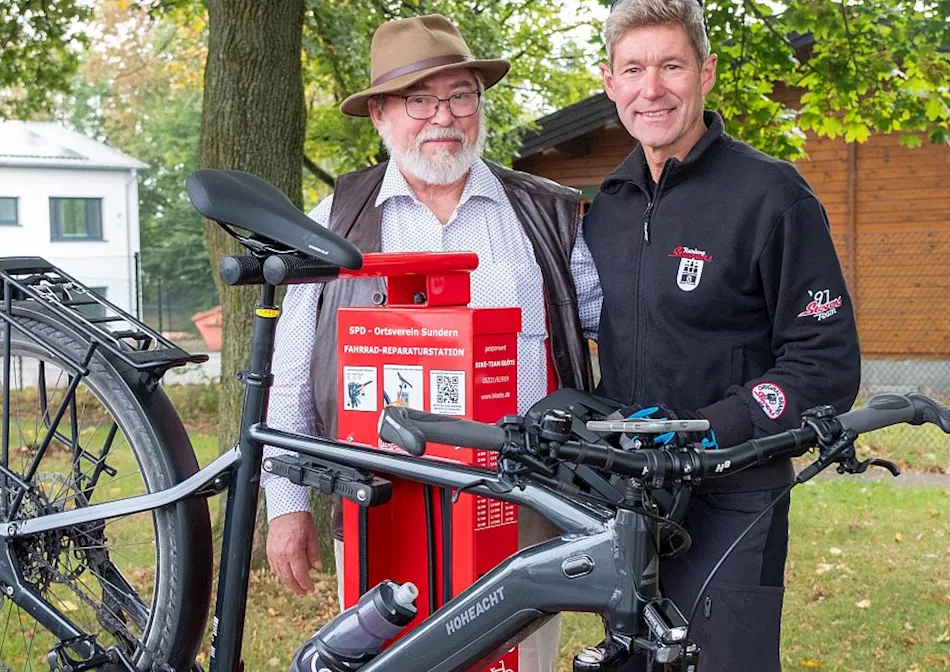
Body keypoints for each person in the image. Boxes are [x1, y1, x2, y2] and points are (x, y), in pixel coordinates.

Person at [260, 14, 602, 671]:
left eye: (460, 95)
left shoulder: (550, 214)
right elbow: (293, 374)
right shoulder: (332, 224)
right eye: (418, 99)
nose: (442, 115)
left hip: (523, 509)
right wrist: (287, 505)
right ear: (381, 115)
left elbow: (622, 332)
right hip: (382, 507)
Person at [583, 1, 861, 670]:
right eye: (634, 69)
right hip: (630, 498)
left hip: (736, 495)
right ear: (609, 80)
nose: (652, 89)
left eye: (672, 66)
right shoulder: (608, 206)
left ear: (706, 73)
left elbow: (824, 362)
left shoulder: (771, 195)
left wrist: (707, 429)